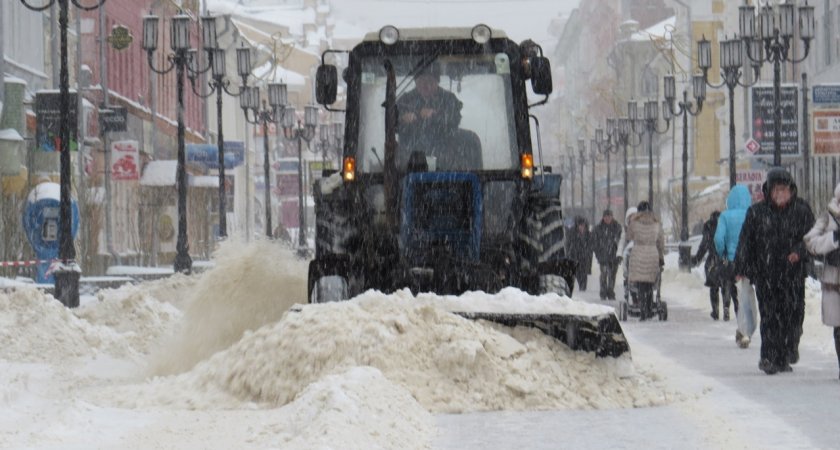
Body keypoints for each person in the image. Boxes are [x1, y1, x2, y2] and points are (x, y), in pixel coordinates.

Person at [735, 168, 815, 375]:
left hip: (793, 276)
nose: (780, 194)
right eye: (776, 190)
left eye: (784, 189)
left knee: (793, 316)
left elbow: (812, 238)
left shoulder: (802, 210)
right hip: (766, 275)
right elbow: (746, 242)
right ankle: (768, 357)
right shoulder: (757, 213)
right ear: (769, 191)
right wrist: (741, 268)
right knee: (770, 316)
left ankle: (787, 351)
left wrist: (799, 251)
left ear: (791, 190)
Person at [803, 182, 840, 380]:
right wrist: (833, 238)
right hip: (834, 278)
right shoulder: (828, 216)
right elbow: (810, 242)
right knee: (839, 328)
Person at [714, 185, 753, 347]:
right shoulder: (752, 214)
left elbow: (718, 238)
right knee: (748, 295)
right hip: (749, 261)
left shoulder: (725, 216)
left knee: (736, 293)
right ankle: (745, 328)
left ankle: (740, 325)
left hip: (731, 261)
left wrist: (722, 252)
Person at [397, 64, 463, 157]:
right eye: (422, 81)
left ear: (437, 82)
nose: (426, 85)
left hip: (444, 155)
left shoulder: (449, 99)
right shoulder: (405, 100)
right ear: (416, 82)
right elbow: (392, 124)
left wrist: (434, 115)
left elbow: (455, 119)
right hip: (411, 157)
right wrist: (403, 119)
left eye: (430, 81)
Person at [627, 201, 664, 320]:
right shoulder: (656, 223)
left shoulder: (634, 223)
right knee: (649, 283)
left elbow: (629, 236)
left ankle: (643, 309)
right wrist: (660, 257)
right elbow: (661, 242)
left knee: (641, 284)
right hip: (652, 254)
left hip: (638, 254)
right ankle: (648, 308)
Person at [691, 211, 725, 321]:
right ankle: (726, 310)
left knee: (713, 286)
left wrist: (697, 259)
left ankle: (715, 311)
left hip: (713, 261)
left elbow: (704, 246)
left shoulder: (709, 227)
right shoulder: (724, 224)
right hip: (724, 259)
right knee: (726, 285)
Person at [592, 209, 622, 300]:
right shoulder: (598, 228)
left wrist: (618, 254)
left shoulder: (617, 227)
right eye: (606, 217)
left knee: (612, 274)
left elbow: (620, 241)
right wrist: (598, 254)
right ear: (603, 217)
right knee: (604, 273)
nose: (608, 218)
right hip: (603, 255)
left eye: (609, 216)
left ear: (612, 217)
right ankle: (603, 291)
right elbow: (594, 242)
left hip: (614, 256)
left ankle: (610, 291)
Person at [566, 216, 592, 292]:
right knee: (577, 273)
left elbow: (591, 245)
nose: (581, 227)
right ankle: (579, 287)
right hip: (575, 256)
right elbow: (568, 244)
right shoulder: (572, 233)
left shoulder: (588, 234)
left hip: (585, 257)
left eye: (583, 225)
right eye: (580, 225)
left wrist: (588, 253)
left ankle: (583, 288)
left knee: (584, 273)